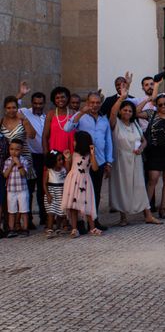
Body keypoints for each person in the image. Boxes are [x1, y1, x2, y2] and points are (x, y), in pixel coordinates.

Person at [108, 85, 161, 227]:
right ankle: (123, 217)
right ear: (120, 111)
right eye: (124, 110)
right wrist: (121, 99)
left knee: (139, 186)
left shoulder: (135, 124)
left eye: (130, 111)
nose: (127, 112)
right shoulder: (116, 124)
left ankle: (148, 215)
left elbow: (144, 141)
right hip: (121, 160)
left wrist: (142, 148)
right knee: (122, 187)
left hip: (136, 159)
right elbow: (112, 114)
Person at [64, 91, 112, 230]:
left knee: (95, 193)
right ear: (87, 103)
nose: (95, 105)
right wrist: (80, 113)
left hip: (99, 160)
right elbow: (67, 128)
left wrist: (109, 161)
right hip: (83, 163)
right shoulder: (81, 117)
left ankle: (94, 221)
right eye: (92, 102)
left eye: (97, 103)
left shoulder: (104, 119)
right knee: (80, 192)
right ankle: (79, 223)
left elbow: (108, 141)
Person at [136, 91, 165, 220]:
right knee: (153, 179)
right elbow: (136, 112)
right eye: (160, 104)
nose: (162, 106)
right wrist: (147, 101)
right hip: (154, 151)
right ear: (156, 105)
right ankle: (147, 209)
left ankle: (163, 208)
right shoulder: (151, 114)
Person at [1, 96, 37, 228]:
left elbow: (32, 135)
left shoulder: (22, 120)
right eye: (9, 108)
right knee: (10, 192)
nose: (11, 110)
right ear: (5, 109)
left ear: (18, 108)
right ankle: (11, 222)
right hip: (8, 159)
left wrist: (25, 120)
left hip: (24, 157)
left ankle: (25, 221)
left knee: (25, 191)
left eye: (14, 107)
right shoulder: (2, 121)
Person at [16, 84, 47, 227]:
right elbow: (12, 106)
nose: (38, 106)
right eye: (35, 103)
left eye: (40, 103)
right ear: (32, 103)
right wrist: (21, 94)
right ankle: (28, 220)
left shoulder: (47, 116)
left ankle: (44, 217)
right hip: (30, 157)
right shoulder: (25, 112)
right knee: (29, 188)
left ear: (44, 104)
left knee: (43, 188)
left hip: (44, 157)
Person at [61, 131, 101, 237]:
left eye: (75, 141)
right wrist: (67, 159)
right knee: (73, 205)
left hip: (84, 180)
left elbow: (95, 168)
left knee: (86, 203)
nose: (73, 142)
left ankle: (92, 227)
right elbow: (68, 169)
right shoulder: (73, 154)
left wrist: (92, 154)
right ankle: (74, 228)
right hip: (73, 180)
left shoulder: (89, 155)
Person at [3, 139, 30, 237]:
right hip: (11, 190)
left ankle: (25, 228)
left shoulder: (24, 160)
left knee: (24, 210)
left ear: (21, 150)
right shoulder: (7, 161)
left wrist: (18, 164)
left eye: (17, 149)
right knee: (11, 210)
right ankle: (11, 229)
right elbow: (5, 175)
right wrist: (11, 164)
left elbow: (23, 174)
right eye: (11, 149)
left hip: (22, 189)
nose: (14, 152)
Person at [43, 149, 70, 238]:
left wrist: (67, 159)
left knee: (60, 213)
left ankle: (58, 228)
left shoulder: (63, 170)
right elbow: (44, 184)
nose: (61, 161)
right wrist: (48, 195)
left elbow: (69, 171)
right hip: (52, 194)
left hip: (61, 194)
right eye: (59, 160)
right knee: (51, 212)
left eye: (61, 159)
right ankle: (50, 229)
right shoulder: (49, 171)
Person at [43, 86, 75, 155]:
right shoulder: (50, 114)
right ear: (54, 100)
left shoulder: (74, 113)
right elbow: (45, 136)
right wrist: (46, 153)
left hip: (71, 152)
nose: (60, 100)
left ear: (67, 98)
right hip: (54, 153)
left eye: (63, 97)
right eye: (57, 98)